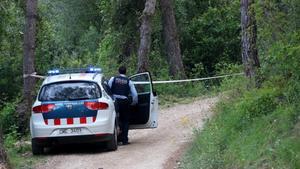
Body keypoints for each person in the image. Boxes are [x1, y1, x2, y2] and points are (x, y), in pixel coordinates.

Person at [108, 66, 138, 145]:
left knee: (115, 119)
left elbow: (108, 90)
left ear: (118, 71)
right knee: (125, 121)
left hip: (115, 102)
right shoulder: (129, 81)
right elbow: (135, 95)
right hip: (124, 102)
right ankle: (124, 140)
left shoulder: (113, 79)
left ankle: (116, 139)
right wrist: (133, 103)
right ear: (126, 72)